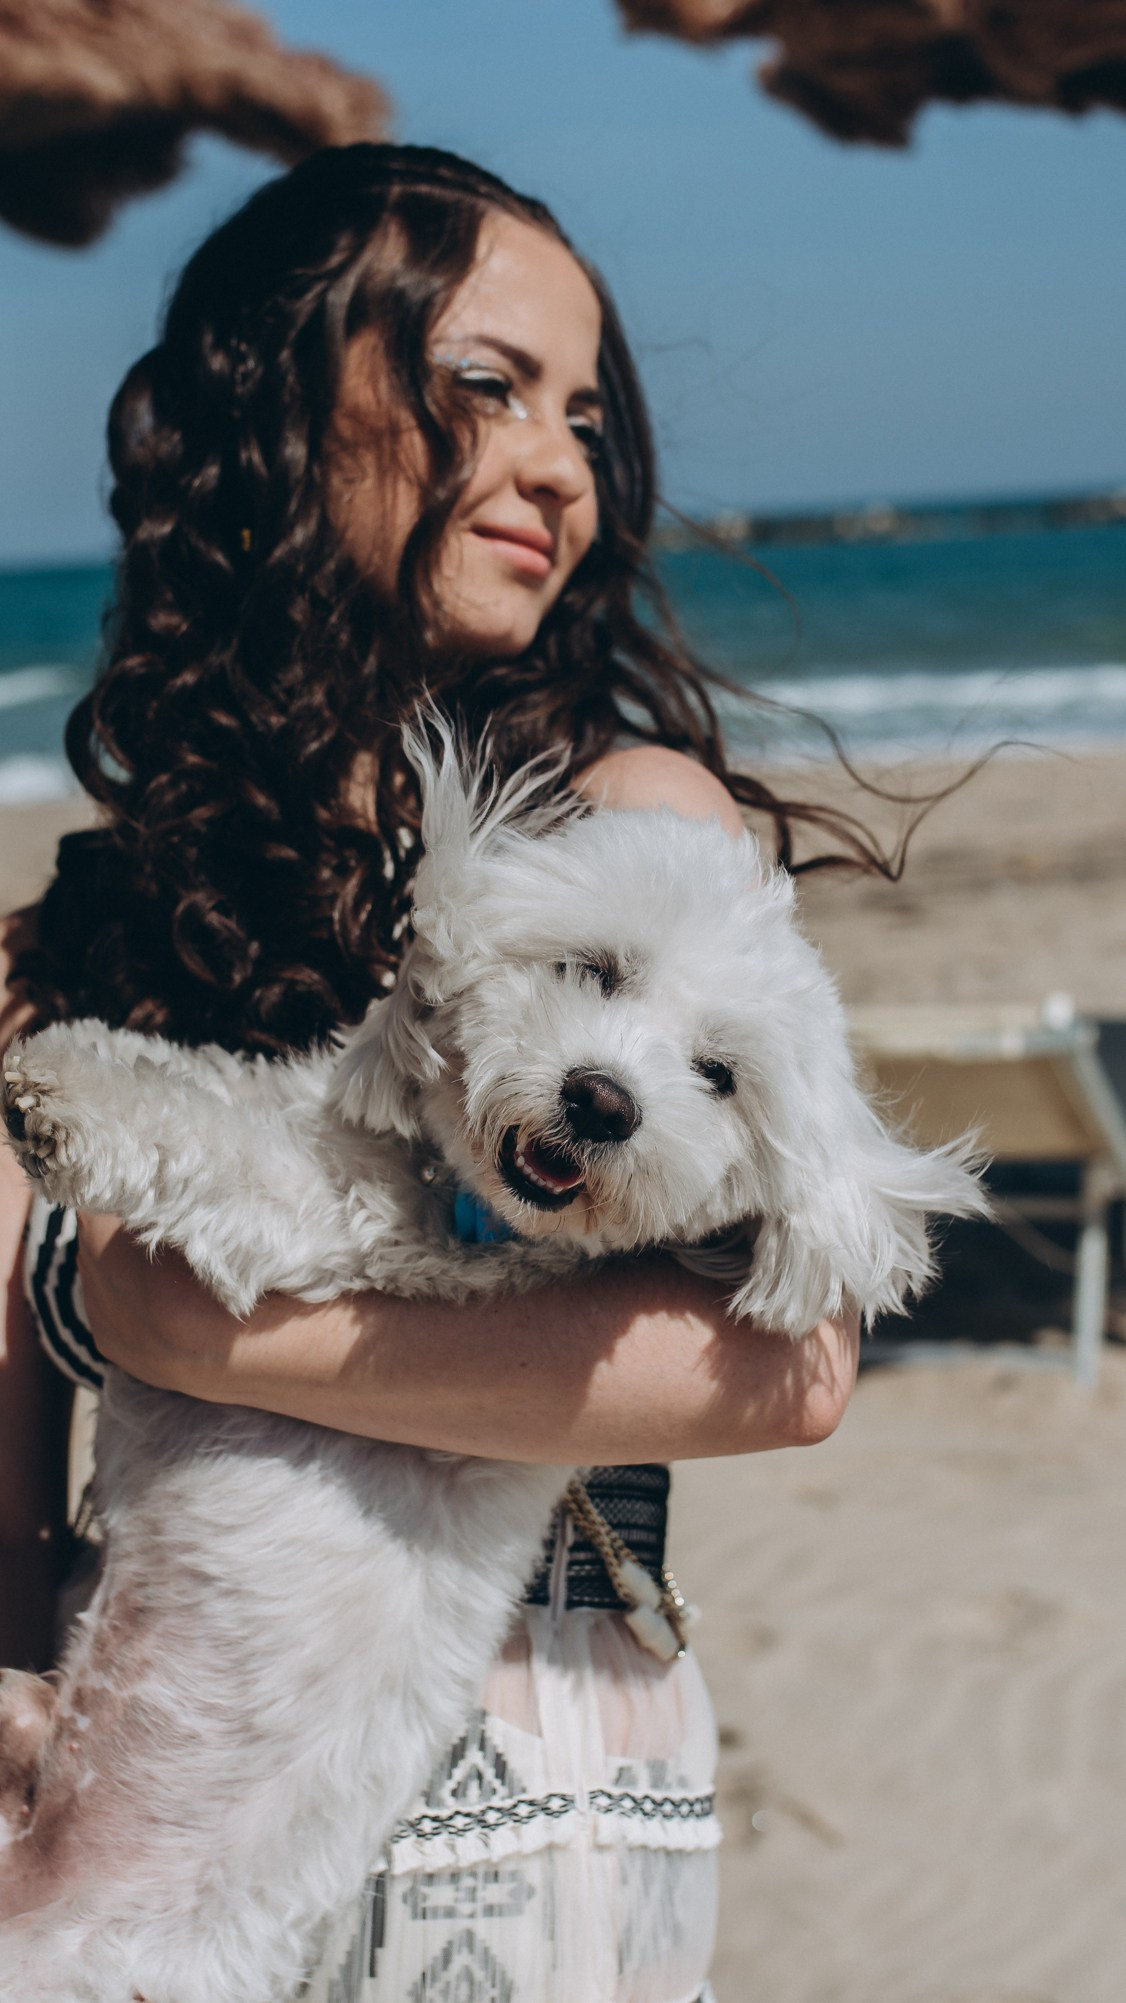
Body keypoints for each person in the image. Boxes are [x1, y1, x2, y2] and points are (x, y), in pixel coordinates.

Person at [0, 144, 860, 2003]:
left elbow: (788, 1372)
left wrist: (192, 1327)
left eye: (585, 419)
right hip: (137, 1793)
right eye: (487, 389)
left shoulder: (628, 834)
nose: (562, 463)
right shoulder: (63, 953)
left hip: (528, 1781)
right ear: (281, 401)